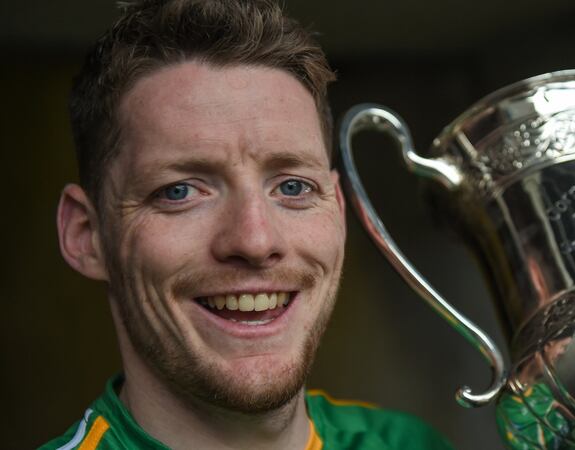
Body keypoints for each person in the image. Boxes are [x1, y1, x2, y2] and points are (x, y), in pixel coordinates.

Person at [41, 1, 453, 449]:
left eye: (293, 187)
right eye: (180, 191)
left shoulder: (410, 443)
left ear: (337, 207)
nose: (255, 241)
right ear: (87, 235)